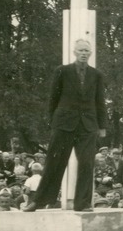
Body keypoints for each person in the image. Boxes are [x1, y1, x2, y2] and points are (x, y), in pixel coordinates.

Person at [24, 39, 107, 212]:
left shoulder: (96, 74)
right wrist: (53, 122)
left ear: (90, 54)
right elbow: (53, 98)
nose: (84, 53)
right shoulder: (62, 71)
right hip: (63, 124)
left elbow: (100, 101)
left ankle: (82, 203)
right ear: (75, 52)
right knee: (55, 162)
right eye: (81, 50)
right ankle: (39, 201)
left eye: (87, 51)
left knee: (86, 164)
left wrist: (102, 126)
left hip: (88, 125)